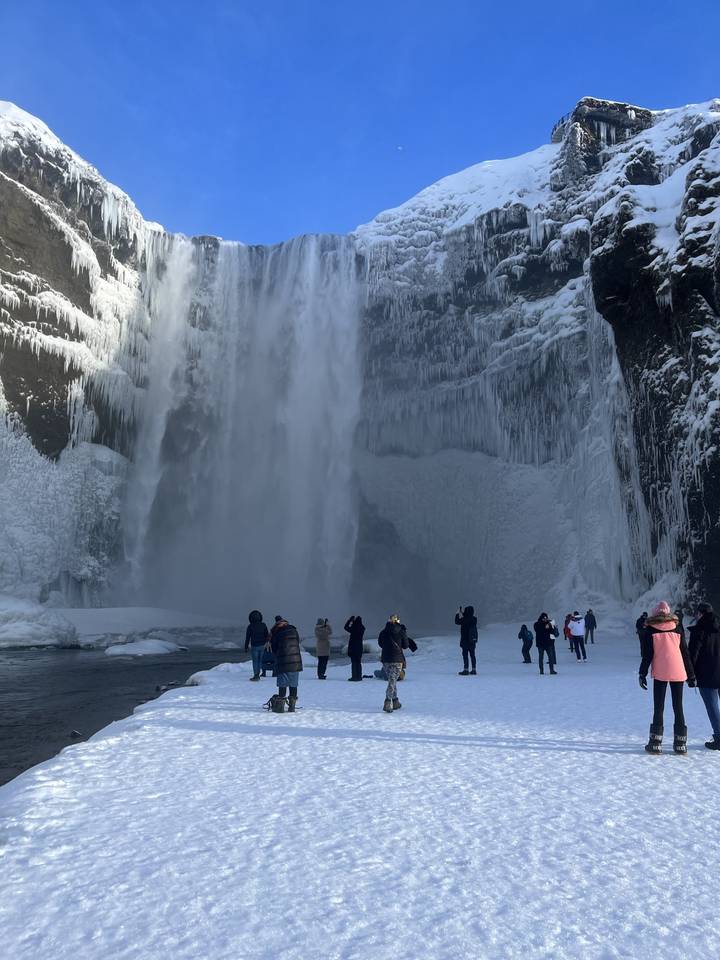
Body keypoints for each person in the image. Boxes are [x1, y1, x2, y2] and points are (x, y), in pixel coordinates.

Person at [639, 600, 696, 753]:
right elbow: (685, 652)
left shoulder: (651, 630)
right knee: (678, 707)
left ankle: (655, 743)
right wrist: (691, 675)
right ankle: (680, 744)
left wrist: (642, 673)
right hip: (678, 671)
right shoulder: (677, 628)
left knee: (659, 707)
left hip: (661, 672)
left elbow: (647, 655)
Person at [688, 602, 720, 750]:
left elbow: (693, 654)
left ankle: (719, 737)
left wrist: (690, 675)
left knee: (712, 707)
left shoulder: (699, 630)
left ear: (700, 614)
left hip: (706, 674)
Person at [269, 616, 303, 713]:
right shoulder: (294, 630)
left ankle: (280, 707)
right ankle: (291, 707)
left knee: (282, 684)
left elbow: (274, 647)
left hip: (283, 660)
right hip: (295, 661)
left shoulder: (277, 632)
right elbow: (297, 642)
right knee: (293, 683)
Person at [378, 614, 409, 712]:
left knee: (392, 680)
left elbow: (380, 644)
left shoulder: (383, 632)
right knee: (392, 681)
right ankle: (388, 702)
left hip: (386, 659)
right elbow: (406, 645)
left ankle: (395, 701)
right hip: (397, 660)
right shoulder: (401, 631)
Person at [245, 610, 270, 681]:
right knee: (260, 660)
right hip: (262, 646)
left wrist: (246, 647)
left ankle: (256, 675)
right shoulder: (263, 625)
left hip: (254, 646)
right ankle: (258, 674)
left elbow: (247, 637)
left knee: (255, 661)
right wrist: (266, 642)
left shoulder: (250, 626)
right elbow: (267, 635)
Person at [455, 605, 478, 675]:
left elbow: (457, 621)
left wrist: (457, 613)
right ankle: (474, 669)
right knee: (472, 655)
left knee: (465, 655)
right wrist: (462, 612)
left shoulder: (464, 620)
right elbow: (468, 615)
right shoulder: (474, 619)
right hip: (472, 641)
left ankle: (466, 669)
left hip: (465, 641)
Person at [344, 615, 366, 681]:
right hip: (359, 647)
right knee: (358, 662)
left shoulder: (353, 628)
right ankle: (359, 676)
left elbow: (345, 627)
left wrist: (350, 620)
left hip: (353, 647)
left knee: (354, 662)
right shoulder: (362, 628)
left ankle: (354, 677)